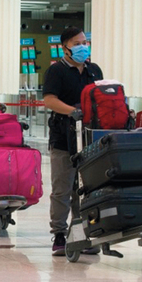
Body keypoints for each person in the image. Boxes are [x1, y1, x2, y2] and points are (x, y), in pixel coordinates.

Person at [41, 26, 102, 256]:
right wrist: (72, 111)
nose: (82, 47)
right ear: (65, 47)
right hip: (63, 138)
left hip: (88, 139)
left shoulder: (94, 70)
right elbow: (49, 100)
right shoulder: (56, 71)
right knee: (62, 189)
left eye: (84, 42)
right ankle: (59, 233)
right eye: (77, 44)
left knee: (85, 188)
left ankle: (83, 232)